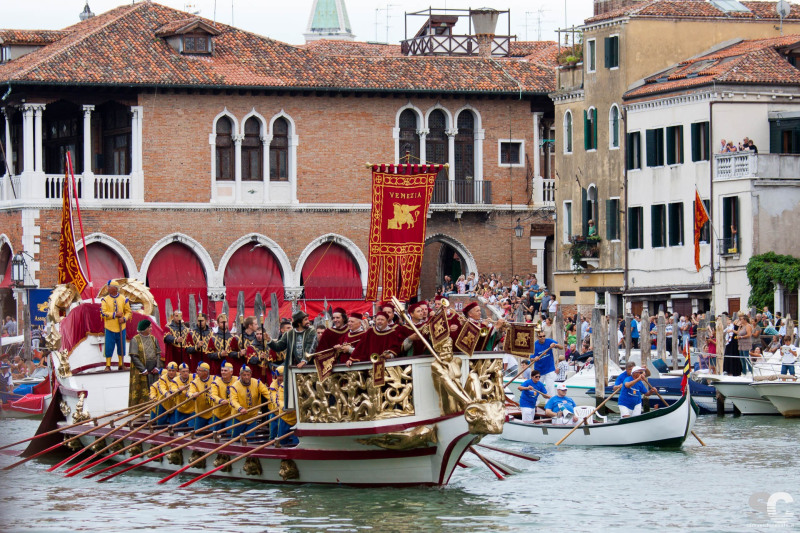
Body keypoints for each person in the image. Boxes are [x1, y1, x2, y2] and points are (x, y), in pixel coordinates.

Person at [265, 310, 317, 404]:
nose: (308, 321)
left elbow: (311, 347)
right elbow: (279, 347)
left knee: (311, 393)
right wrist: (270, 341)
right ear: (299, 322)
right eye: (305, 320)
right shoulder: (289, 334)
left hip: (310, 367)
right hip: (295, 368)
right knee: (296, 394)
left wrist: (304, 361)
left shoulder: (311, 331)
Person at [229, 365, 271, 438]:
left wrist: (274, 400)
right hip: (238, 418)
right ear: (240, 375)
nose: (246, 377)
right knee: (235, 439)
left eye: (248, 375)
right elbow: (233, 401)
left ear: (251, 375)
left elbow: (267, 393)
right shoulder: (234, 386)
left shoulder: (257, 383)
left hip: (252, 417)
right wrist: (240, 408)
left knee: (250, 439)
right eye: (244, 375)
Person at [128, 319, 162, 408]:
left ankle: (155, 411)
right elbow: (134, 356)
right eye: (149, 327)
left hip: (154, 371)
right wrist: (143, 369)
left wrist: (157, 367)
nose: (151, 328)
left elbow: (158, 354)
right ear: (144, 328)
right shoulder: (135, 340)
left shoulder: (154, 339)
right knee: (141, 392)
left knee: (154, 390)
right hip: (142, 372)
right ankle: (141, 412)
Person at [100, 280, 132, 372]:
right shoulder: (105, 299)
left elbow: (128, 312)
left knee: (121, 346)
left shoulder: (123, 299)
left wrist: (124, 319)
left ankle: (121, 364)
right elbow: (103, 313)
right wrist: (114, 314)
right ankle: (108, 365)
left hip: (121, 327)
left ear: (115, 288)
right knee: (109, 346)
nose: (108, 288)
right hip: (109, 327)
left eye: (109, 286)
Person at [266, 366, 298, 446]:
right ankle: (272, 448)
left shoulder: (296, 382)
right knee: (275, 436)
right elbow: (276, 399)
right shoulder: (275, 385)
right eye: (278, 376)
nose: (280, 378)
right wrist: (285, 407)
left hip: (295, 418)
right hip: (280, 415)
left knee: (297, 442)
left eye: (282, 375)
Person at [531, 330, 564, 396]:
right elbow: (531, 358)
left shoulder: (549, 341)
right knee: (537, 388)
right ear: (537, 337)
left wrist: (555, 345)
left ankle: (550, 404)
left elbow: (561, 347)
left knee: (550, 388)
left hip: (550, 369)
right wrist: (535, 358)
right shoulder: (534, 345)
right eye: (540, 336)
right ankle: (535, 403)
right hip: (539, 371)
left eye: (544, 336)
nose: (542, 338)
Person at [208, 362, 238, 434]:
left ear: (231, 372)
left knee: (230, 433)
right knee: (216, 434)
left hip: (231, 414)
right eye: (222, 370)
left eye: (225, 371)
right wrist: (220, 401)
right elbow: (213, 395)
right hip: (218, 413)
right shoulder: (215, 383)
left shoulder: (237, 380)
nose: (223, 372)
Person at [187, 362, 215, 431]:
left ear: (206, 372)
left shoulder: (215, 379)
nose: (197, 372)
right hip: (200, 413)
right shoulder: (194, 382)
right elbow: (189, 393)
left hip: (213, 413)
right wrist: (193, 395)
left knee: (212, 432)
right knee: (198, 433)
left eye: (199, 370)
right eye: (197, 370)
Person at [171, 363, 195, 429]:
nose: (185, 373)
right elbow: (173, 390)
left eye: (187, 371)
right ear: (179, 372)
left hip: (192, 408)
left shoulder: (194, 377)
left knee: (192, 428)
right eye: (183, 371)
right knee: (179, 429)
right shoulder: (175, 380)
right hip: (180, 408)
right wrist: (178, 389)